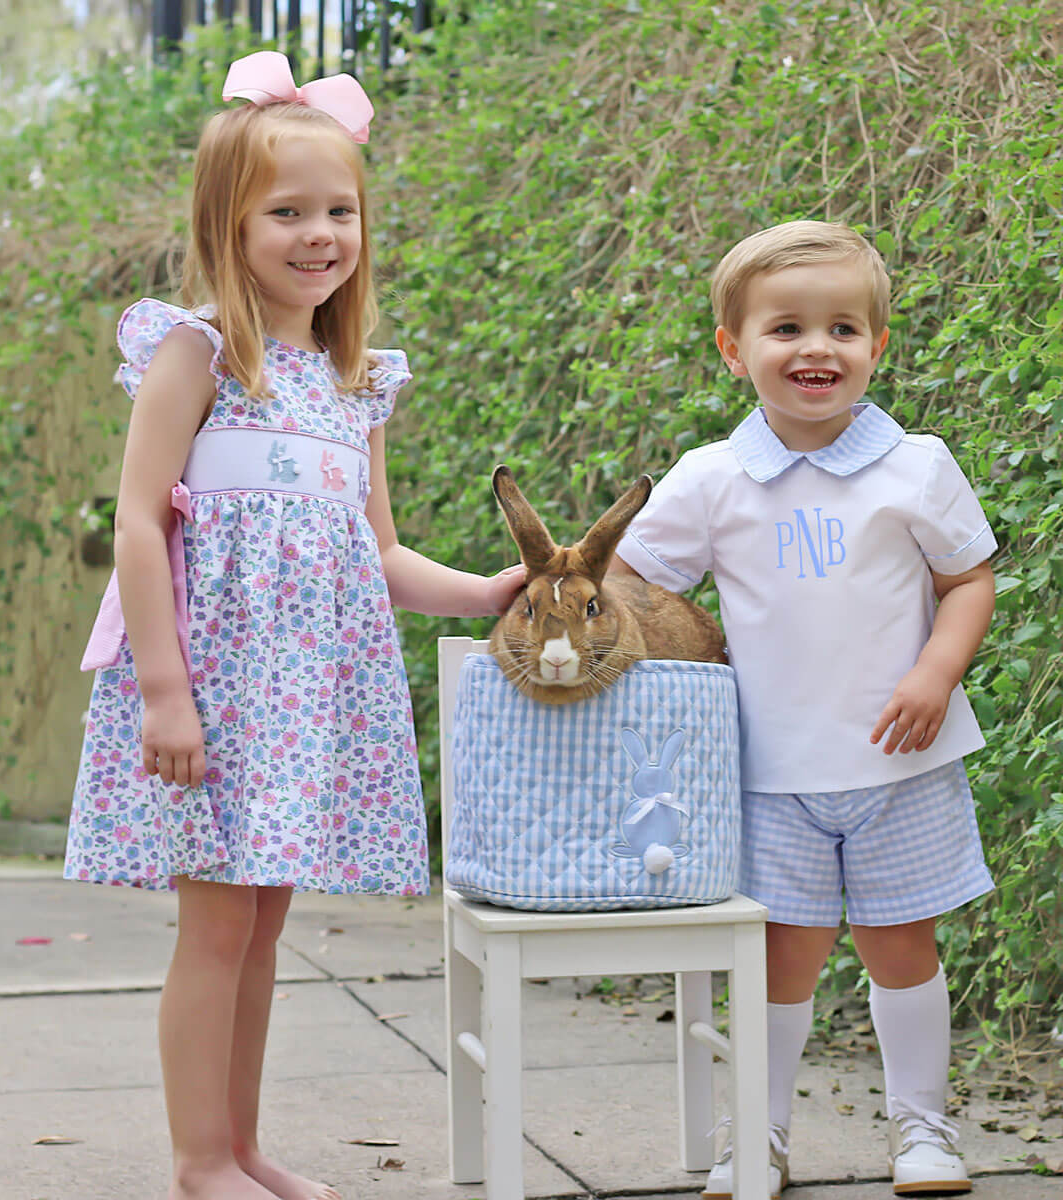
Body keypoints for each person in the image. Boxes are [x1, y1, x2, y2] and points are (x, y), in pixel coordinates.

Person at [64, 51, 524, 1200]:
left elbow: (380, 554)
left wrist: (483, 592)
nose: (319, 235)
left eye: (340, 212)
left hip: (300, 705)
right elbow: (136, 522)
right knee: (217, 931)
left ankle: (242, 1146)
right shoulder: (198, 353)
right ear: (228, 225)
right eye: (286, 213)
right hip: (213, 698)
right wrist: (164, 693)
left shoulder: (354, 383)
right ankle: (197, 1162)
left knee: (262, 932)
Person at [611, 220, 996, 1199]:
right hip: (769, 769)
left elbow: (968, 580)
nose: (816, 348)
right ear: (733, 348)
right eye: (786, 328)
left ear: (876, 344)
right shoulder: (711, 477)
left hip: (900, 762)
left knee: (902, 947)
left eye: (842, 329)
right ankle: (760, 1136)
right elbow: (631, 583)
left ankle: (922, 1129)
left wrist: (937, 671)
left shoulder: (916, 464)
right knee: (779, 961)